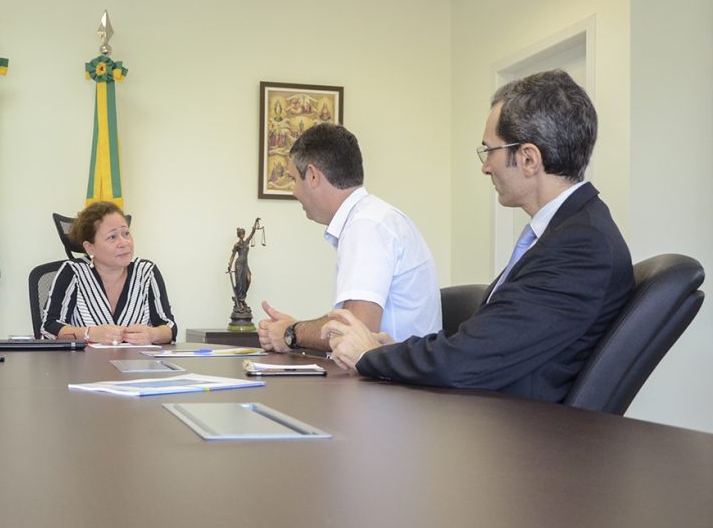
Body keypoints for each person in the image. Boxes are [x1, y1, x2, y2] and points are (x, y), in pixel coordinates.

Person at [322, 70, 633, 403]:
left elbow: (468, 361)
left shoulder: (581, 244)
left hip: (515, 428)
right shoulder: (570, 231)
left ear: (528, 159)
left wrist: (370, 355)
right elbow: (486, 346)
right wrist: (392, 351)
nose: (486, 167)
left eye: (490, 151)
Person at [257, 123, 441, 352]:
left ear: (312, 175)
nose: (293, 192)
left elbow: (355, 332)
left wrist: (291, 333)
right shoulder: (372, 218)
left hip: (394, 375)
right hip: (391, 369)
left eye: (293, 179)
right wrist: (292, 331)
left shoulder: (367, 225)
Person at [42, 201, 177, 344]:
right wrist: (89, 334)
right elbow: (49, 327)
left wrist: (153, 334)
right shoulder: (73, 272)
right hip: (86, 359)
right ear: (90, 248)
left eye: (126, 233)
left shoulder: (146, 272)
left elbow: (169, 327)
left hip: (135, 358)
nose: (124, 243)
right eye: (112, 237)